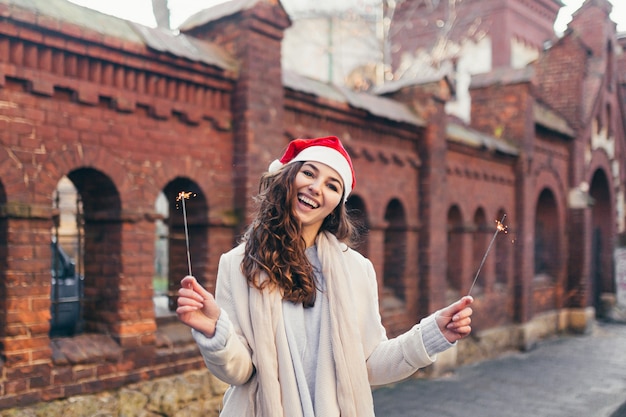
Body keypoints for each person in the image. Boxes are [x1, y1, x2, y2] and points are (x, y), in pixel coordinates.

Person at [176, 136, 474, 417]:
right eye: (309, 173)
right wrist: (216, 332)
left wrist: (434, 335)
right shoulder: (237, 264)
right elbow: (240, 372)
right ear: (288, 177)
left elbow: (369, 364)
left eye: (332, 186)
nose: (317, 188)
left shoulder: (356, 270)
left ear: (337, 204)